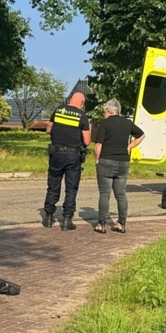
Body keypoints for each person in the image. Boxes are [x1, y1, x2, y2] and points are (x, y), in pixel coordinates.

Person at [93, 99, 145, 234]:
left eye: (104, 110)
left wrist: (97, 159)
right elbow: (141, 135)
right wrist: (129, 146)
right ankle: (121, 223)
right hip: (123, 162)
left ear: (109, 110)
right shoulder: (127, 123)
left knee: (105, 194)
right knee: (121, 194)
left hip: (106, 161)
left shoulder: (105, 124)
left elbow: (98, 145)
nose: (104, 113)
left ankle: (101, 224)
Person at [43, 91, 91, 231]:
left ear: (70, 100)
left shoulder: (58, 110)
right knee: (71, 188)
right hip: (72, 157)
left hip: (56, 154)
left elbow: (48, 130)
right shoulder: (82, 116)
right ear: (82, 103)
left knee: (53, 184)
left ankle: (49, 217)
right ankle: (67, 220)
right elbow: (87, 141)